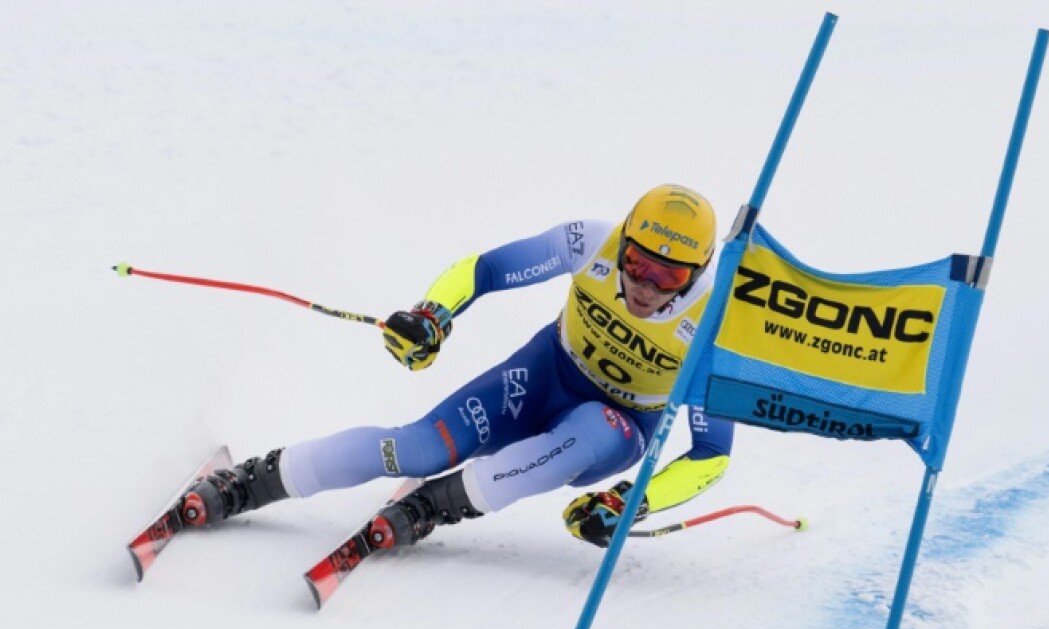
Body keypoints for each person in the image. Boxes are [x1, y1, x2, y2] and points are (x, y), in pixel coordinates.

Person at [179, 184, 735, 550]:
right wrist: (432, 314)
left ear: (699, 271)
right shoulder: (591, 242)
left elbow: (711, 456)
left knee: (592, 427)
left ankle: (439, 505)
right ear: (625, 239)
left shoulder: (712, 328)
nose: (643, 285)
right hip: (545, 375)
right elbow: (487, 269)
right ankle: (254, 481)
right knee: (418, 448)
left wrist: (630, 503)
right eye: (636, 263)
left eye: (667, 278)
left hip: (617, 429)